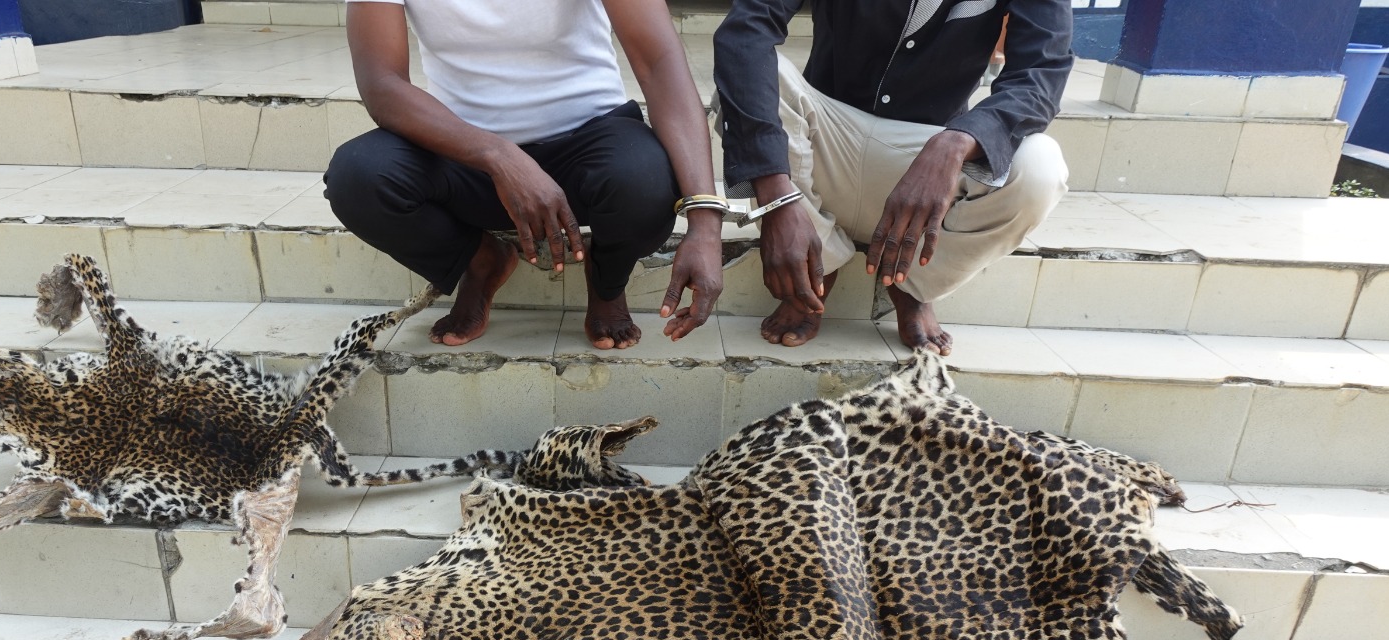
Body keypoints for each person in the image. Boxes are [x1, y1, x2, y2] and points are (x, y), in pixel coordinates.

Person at [326, 0, 722, 350]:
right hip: (463, 151)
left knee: (647, 183)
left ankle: (607, 280)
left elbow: (658, 63)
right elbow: (382, 84)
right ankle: (481, 261)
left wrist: (705, 224)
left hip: (589, 141)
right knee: (359, 177)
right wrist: (498, 155)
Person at [714, 0, 1073, 352]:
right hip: (827, 138)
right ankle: (820, 264)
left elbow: (1041, 74)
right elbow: (748, 28)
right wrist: (777, 200)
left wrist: (956, 143)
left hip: (925, 161)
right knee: (751, 76)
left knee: (1040, 167)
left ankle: (912, 285)